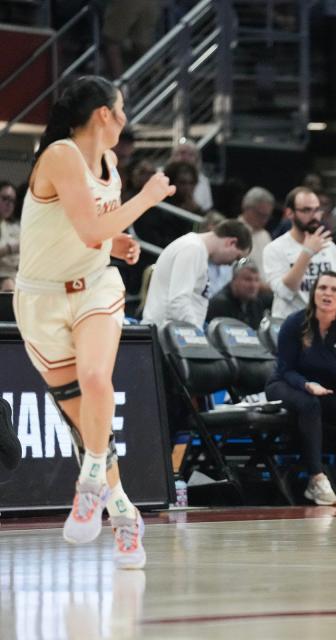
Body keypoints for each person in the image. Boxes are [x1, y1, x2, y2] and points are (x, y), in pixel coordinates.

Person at [14, 75, 175, 568]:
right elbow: (87, 229)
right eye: (121, 107)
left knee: (96, 378)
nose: (125, 117)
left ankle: (88, 485)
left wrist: (117, 244)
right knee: (88, 424)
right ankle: (123, 512)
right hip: (41, 302)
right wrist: (146, 199)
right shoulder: (61, 155)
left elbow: (94, 237)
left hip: (96, 288)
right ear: (104, 113)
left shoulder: (109, 164)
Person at [265, 271, 336, 506]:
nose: (327, 293)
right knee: (309, 403)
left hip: (324, 390)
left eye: (334, 290)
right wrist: (306, 384)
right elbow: (285, 368)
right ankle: (316, 479)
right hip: (286, 383)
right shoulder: (295, 323)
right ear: (314, 294)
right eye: (322, 288)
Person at [141, 220, 251, 327]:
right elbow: (178, 302)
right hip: (165, 333)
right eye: (237, 257)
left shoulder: (196, 249)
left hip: (171, 332)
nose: (231, 264)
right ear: (231, 242)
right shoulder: (193, 249)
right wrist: (196, 335)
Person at [263, 187, 336, 320]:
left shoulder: (329, 246)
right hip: (288, 324)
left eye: (317, 210)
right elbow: (285, 291)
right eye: (306, 210)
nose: (314, 216)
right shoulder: (274, 248)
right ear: (290, 213)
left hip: (324, 323)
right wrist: (307, 252)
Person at [205, 260, 271, 329]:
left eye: (257, 280)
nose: (253, 285)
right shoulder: (219, 305)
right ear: (234, 280)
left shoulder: (256, 301)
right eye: (248, 280)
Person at [238, 186, 276, 273]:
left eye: (267, 216)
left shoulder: (265, 235)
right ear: (246, 208)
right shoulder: (234, 231)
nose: (264, 220)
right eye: (260, 214)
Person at [0, 180, 20, 281]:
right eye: (5, 198)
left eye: (12, 201)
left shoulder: (16, 227)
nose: (9, 204)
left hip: (17, 277)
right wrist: (9, 249)